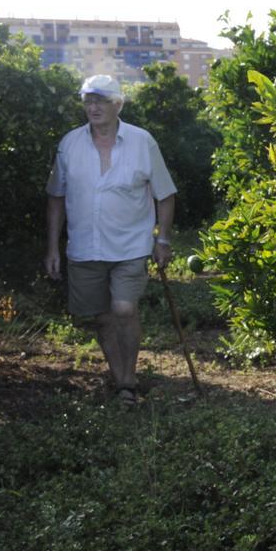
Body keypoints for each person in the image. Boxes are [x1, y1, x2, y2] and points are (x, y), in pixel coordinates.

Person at [44, 74, 177, 406]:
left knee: (123, 308)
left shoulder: (142, 141)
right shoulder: (69, 144)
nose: (93, 107)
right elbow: (56, 197)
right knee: (101, 317)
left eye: (100, 100)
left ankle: (129, 379)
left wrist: (163, 240)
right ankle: (120, 382)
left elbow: (166, 194)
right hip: (85, 247)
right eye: (88, 100)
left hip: (131, 245)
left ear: (117, 104)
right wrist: (51, 247)